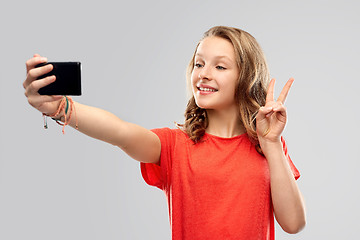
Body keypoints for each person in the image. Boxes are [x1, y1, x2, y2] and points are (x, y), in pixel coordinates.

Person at [23, 26, 306, 239]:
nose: (204, 73)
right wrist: (60, 107)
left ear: (245, 77)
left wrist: (271, 144)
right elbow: (120, 132)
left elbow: (294, 224)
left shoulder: (267, 146)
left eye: (220, 66)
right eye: (199, 63)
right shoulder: (175, 145)